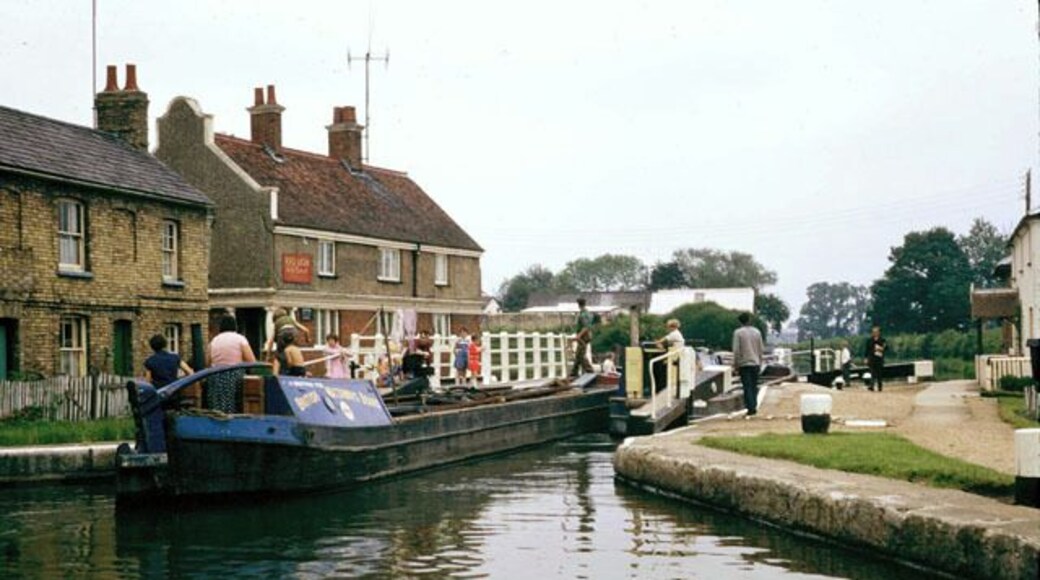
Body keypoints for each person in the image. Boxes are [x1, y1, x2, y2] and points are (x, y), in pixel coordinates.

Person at [207, 314, 256, 413]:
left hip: (216, 376)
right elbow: (251, 361)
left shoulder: (214, 341)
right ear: (235, 326)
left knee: (218, 406)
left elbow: (207, 362)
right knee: (236, 405)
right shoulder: (240, 339)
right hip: (234, 375)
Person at [732, 312, 764, 417]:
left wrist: (735, 364)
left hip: (744, 363)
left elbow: (736, 350)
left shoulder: (738, 333)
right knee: (754, 386)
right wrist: (760, 362)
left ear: (740, 321)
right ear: (749, 320)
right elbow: (761, 349)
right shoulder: (757, 332)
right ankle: (754, 405)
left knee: (747, 386)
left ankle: (750, 408)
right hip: (755, 363)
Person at [570, 298, 594, 377]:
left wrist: (578, 336)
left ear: (578, 304)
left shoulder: (583, 314)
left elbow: (586, 327)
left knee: (581, 354)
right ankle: (574, 372)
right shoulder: (587, 313)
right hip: (585, 336)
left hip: (583, 336)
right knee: (578, 354)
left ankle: (590, 371)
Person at [864, 326, 887, 392]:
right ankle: (872, 386)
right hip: (872, 359)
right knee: (872, 373)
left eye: (876, 332)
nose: (875, 333)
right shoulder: (869, 340)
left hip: (879, 359)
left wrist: (882, 348)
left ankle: (880, 386)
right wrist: (866, 358)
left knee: (879, 373)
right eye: (873, 332)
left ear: (879, 332)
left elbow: (886, 348)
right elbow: (867, 350)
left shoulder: (882, 340)